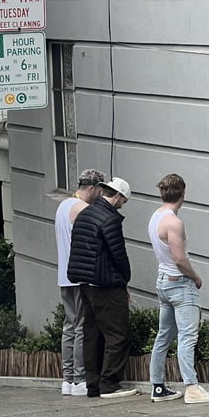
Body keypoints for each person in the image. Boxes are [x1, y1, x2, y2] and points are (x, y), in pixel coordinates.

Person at [148, 173, 209, 404]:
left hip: (162, 281)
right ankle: (191, 387)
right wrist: (196, 277)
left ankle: (158, 387)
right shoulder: (173, 222)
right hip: (179, 283)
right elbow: (179, 259)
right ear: (183, 193)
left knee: (164, 336)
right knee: (188, 337)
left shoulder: (155, 217)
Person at [67, 177, 137, 399]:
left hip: (84, 283)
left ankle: (93, 384)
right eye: (123, 200)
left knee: (91, 334)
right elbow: (118, 254)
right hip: (106, 283)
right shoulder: (109, 219)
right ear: (116, 195)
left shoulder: (84, 214)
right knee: (117, 334)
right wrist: (125, 278)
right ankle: (110, 383)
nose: (122, 204)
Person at [54, 169, 105, 396]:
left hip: (64, 275)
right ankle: (80, 378)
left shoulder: (63, 205)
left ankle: (67, 379)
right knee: (82, 327)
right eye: (100, 190)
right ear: (93, 187)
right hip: (81, 275)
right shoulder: (83, 209)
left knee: (69, 326)